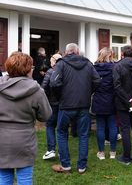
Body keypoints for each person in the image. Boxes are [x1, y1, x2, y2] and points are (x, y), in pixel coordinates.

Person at [0, 52, 52, 184]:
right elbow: (45, 115)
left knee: (4, 178)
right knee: (25, 179)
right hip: (24, 140)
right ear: (28, 69)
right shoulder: (36, 90)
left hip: (2, 139)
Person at [50, 43, 101, 174]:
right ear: (77, 52)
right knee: (83, 135)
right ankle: (81, 167)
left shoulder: (61, 63)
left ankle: (66, 165)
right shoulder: (88, 64)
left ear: (67, 52)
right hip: (83, 105)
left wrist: (60, 96)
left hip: (66, 106)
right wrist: (87, 93)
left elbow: (54, 82)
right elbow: (97, 81)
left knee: (61, 133)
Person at [91, 48, 117, 160]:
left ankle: (101, 152)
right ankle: (112, 152)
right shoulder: (114, 68)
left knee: (100, 127)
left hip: (99, 99)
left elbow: (91, 84)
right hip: (111, 100)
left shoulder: (94, 68)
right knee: (112, 126)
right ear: (110, 56)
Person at [41, 53, 62, 160]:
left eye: (51, 60)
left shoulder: (50, 71)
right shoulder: (65, 71)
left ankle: (51, 150)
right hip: (63, 104)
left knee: (50, 126)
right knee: (61, 128)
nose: (50, 62)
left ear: (54, 61)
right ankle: (62, 151)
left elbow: (43, 88)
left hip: (53, 104)